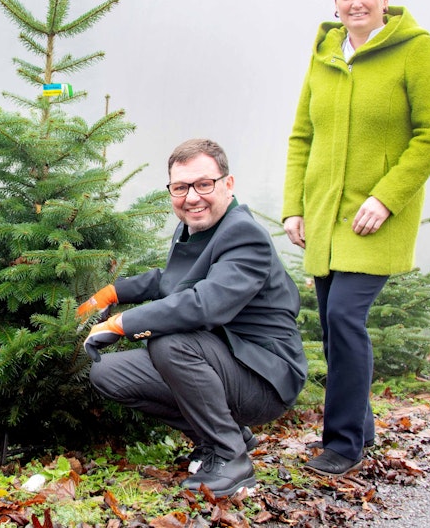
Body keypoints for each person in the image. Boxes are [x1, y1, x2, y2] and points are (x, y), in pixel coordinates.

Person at [282, 0, 430, 476]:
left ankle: (343, 443)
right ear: (335, 2)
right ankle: (364, 427)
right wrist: (294, 207)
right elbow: (302, 135)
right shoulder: (325, 53)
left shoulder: (415, 51)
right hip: (326, 216)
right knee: (335, 329)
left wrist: (386, 196)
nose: (356, 3)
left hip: (376, 215)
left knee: (343, 317)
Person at [78, 138, 307, 496]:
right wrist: (114, 292)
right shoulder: (195, 227)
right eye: (181, 187)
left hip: (265, 377)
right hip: (224, 360)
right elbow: (172, 280)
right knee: (108, 373)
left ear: (227, 184)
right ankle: (225, 437)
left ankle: (232, 461)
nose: (192, 197)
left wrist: (122, 323)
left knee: (170, 340)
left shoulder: (244, 235)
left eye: (204, 184)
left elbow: (204, 303)